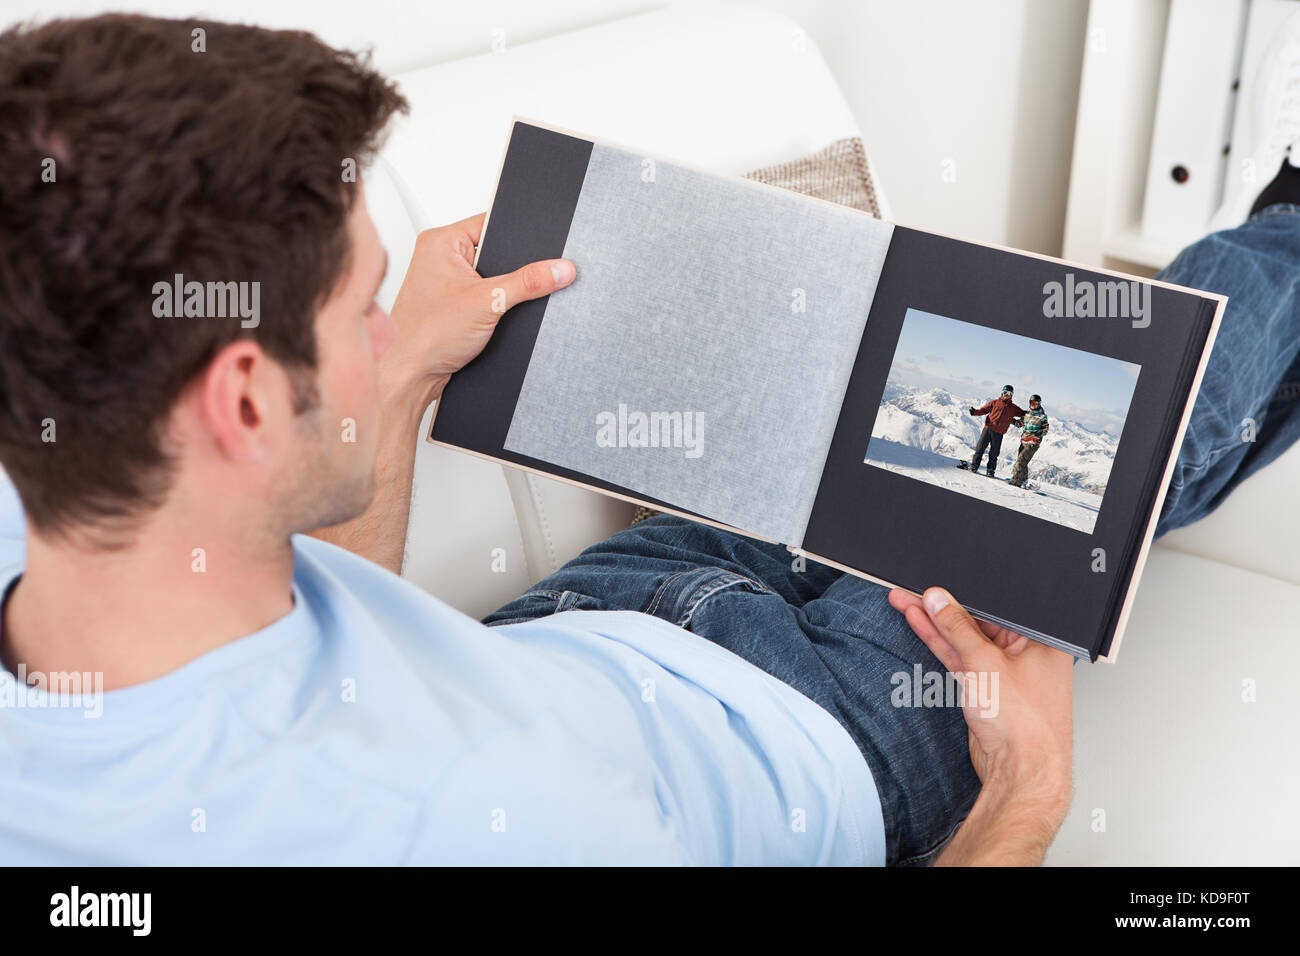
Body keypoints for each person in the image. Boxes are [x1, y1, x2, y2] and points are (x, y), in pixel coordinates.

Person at [2, 12, 1300, 867]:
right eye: (365, 311)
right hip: (833, 722)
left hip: (603, 616)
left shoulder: (65, 531)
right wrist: (1027, 789)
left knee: (1101, 402)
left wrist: (391, 394)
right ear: (239, 400)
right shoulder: (480, 829)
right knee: (1136, 434)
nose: (393, 330)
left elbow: (330, 681)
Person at [967, 385, 1025, 477]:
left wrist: (1032, 414)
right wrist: (975, 412)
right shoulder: (994, 403)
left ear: (1012, 395)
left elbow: (1023, 413)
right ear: (1002, 393)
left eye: (1009, 393)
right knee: (979, 448)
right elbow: (984, 410)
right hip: (988, 429)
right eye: (1005, 392)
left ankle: (990, 471)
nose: (1007, 395)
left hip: (998, 433)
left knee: (994, 453)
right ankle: (974, 467)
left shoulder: (1013, 408)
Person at [1008, 394, 1049, 488]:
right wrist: (1010, 419)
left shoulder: (1042, 416)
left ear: (1039, 404)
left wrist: (1038, 434)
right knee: (1023, 461)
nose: (1033, 405)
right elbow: (1019, 424)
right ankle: (1024, 480)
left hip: (1033, 442)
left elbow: (1045, 429)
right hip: (1024, 440)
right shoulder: (1027, 414)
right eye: (1031, 403)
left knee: (1021, 459)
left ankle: (1016, 480)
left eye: (1035, 403)